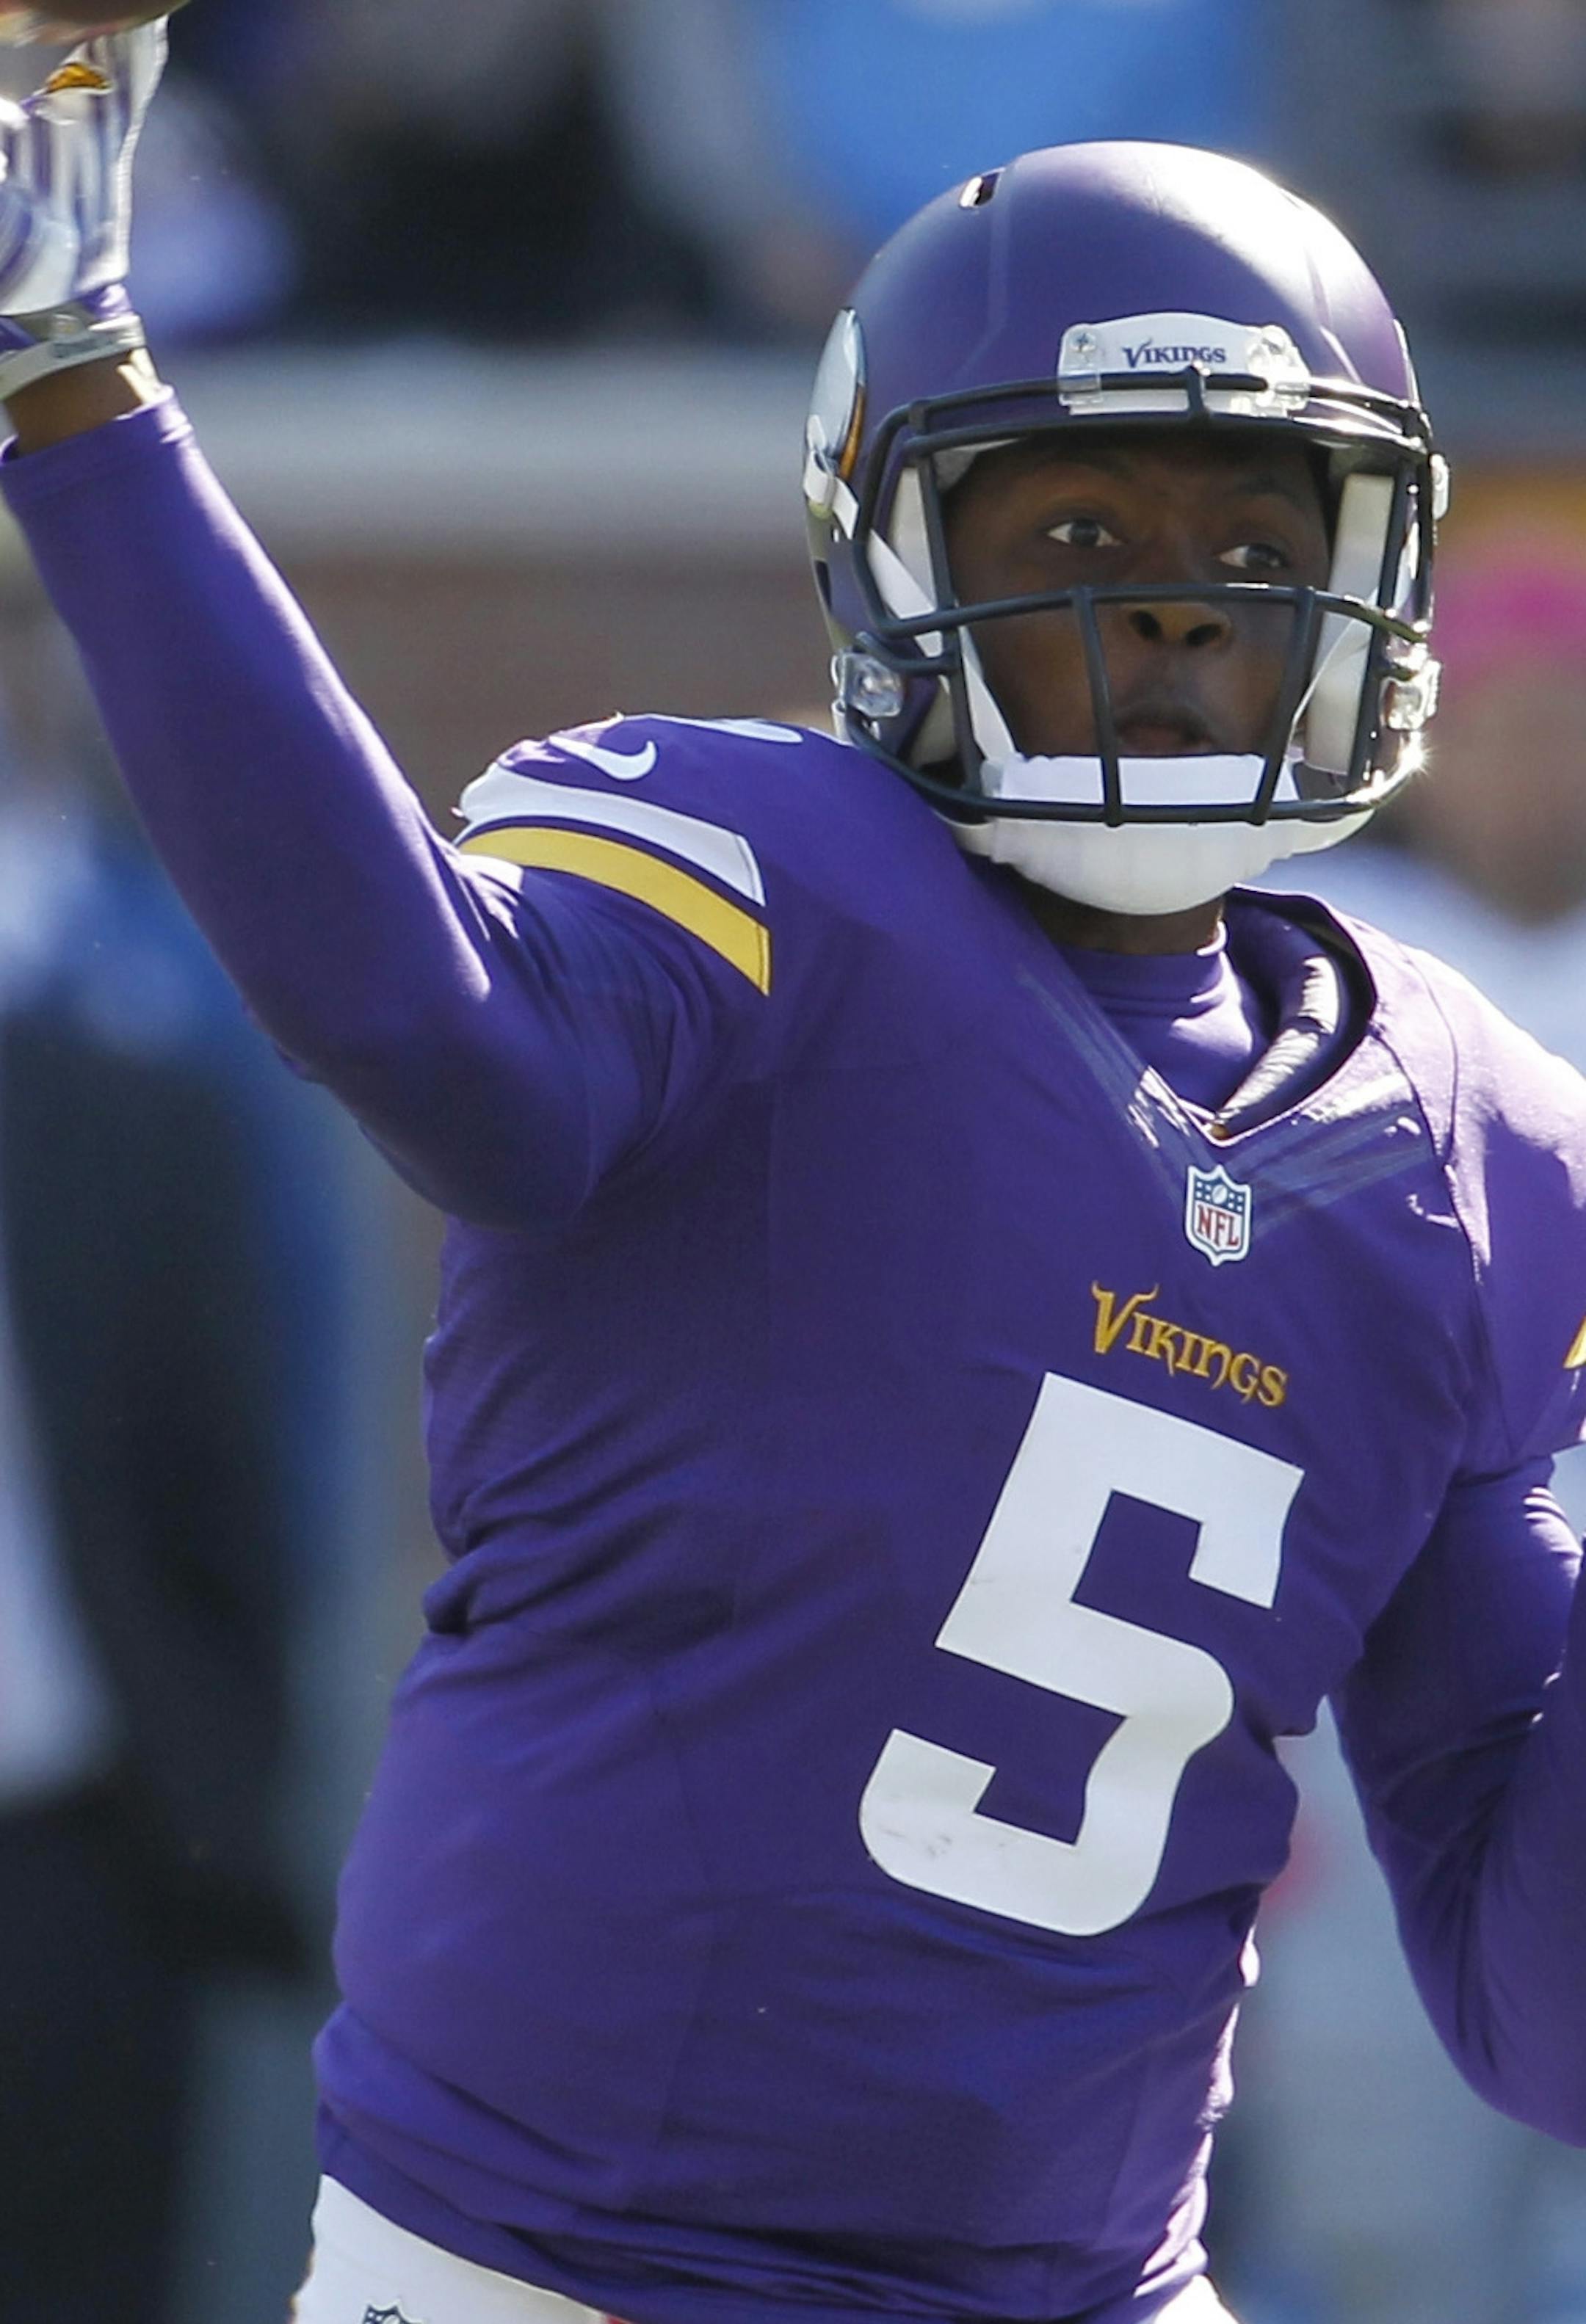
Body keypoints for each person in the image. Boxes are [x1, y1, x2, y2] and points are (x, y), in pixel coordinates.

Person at [0, 25, 1583, 2324]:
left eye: (1258, 537)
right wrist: (76, 394)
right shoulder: (759, 879)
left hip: (1090, 2284)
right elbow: (433, 1036)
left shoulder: (1478, 1144)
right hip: (546, 2274)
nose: (1169, 606)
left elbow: (1539, 2014)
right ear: (886, 541)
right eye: (1078, 526)